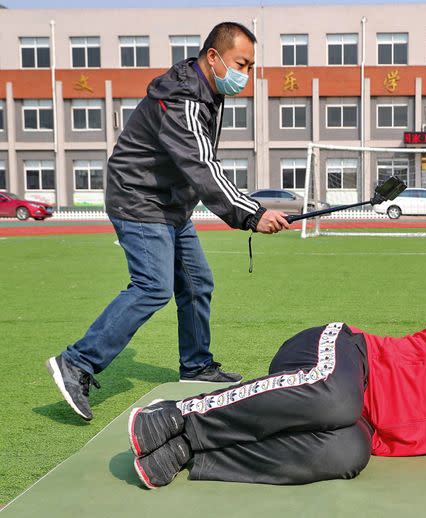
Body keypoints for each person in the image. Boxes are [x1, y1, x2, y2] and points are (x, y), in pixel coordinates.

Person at [46, 22, 290, 421]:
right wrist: (252, 214)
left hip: (171, 206)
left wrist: (250, 210)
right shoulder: (182, 98)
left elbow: (196, 166)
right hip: (139, 199)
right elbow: (201, 165)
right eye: (241, 64)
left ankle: (196, 365)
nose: (245, 75)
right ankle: (76, 362)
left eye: (250, 67)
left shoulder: (207, 92)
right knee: (153, 286)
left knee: (197, 283)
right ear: (213, 57)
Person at [126, 304, 426, 488]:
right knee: (336, 401)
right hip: (341, 356)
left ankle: (191, 452)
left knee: (347, 452)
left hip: (355, 422)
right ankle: (180, 416)